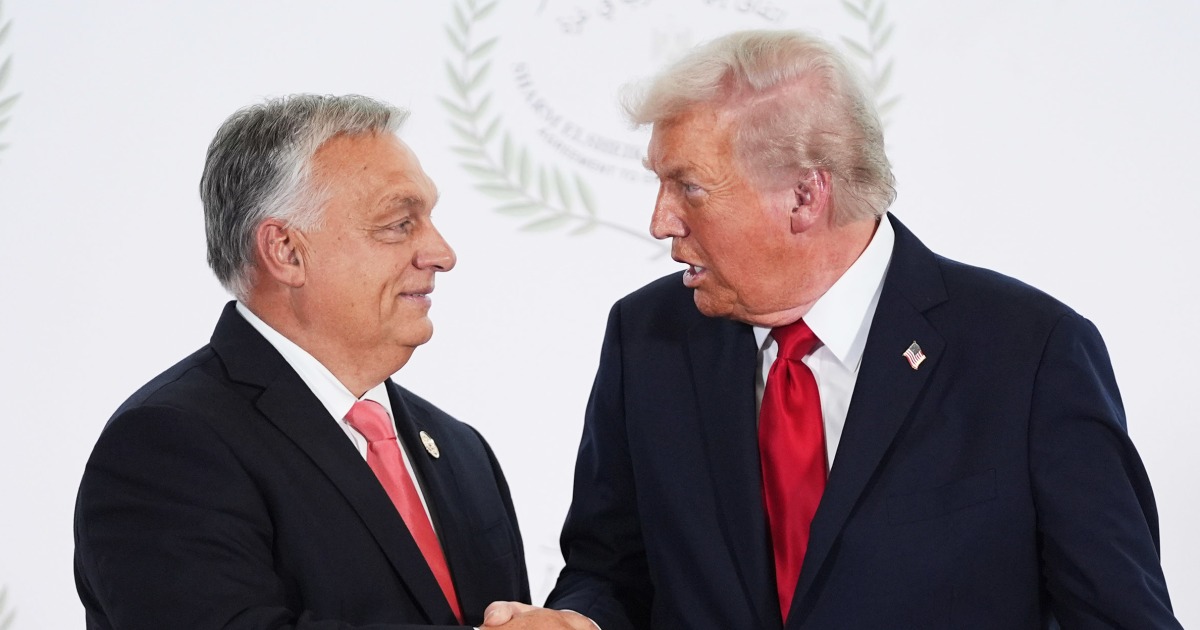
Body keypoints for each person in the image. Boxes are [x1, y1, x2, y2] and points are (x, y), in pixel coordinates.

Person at [484, 30, 1180, 629]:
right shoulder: (647, 339)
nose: (661, 221)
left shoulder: (1029, 354)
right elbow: (610, 572)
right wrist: (581, 619)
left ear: (804, 196)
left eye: (689, 186)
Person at [74, 94, 530, 629]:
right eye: (398, 223)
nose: (442, 254)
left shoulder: (460, 450)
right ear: (287, 251)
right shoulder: (167, 445)